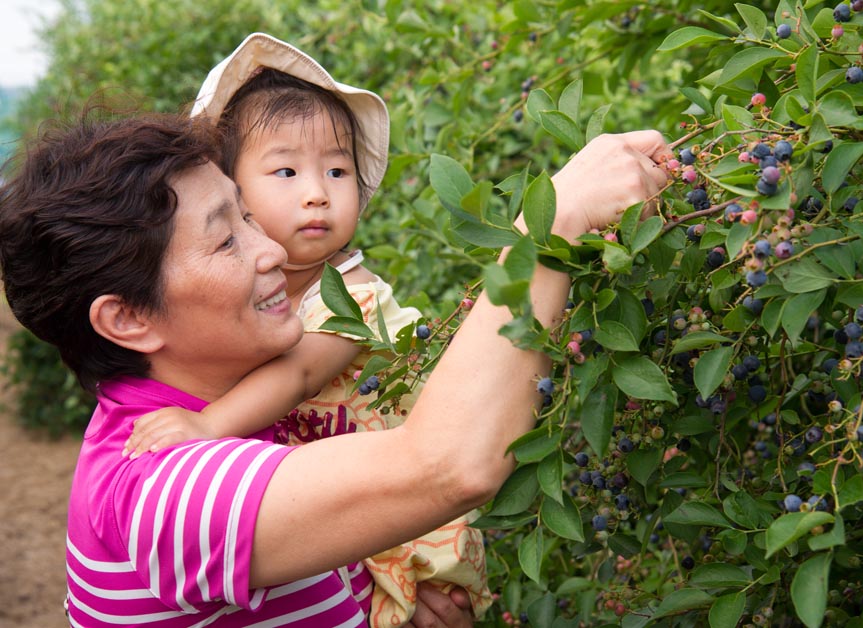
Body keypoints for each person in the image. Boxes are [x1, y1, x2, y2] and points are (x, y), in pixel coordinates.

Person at [0, 114, 669, 626]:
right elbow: (448, 464)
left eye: (248, 213)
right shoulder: (162, 490)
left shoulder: (225, 417)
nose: (270, 250)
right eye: (226, 238)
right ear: (128, 320)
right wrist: (552, 226)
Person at [121, 34, 492, 626]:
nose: (318, 193)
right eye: (287, 170)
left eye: (338, 170)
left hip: (397, 512)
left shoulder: (354, 296)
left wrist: (206, 425)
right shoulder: (239, 308)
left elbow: (298, 374)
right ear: (230, 191)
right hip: (328, 510)